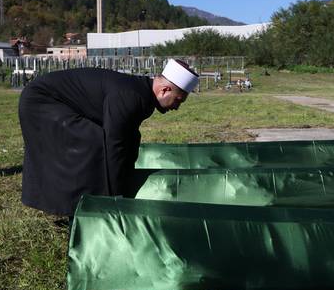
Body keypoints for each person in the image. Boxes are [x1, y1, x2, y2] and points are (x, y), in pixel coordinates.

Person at [18, 59, 199, 216]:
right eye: (177, 100)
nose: (176, 107)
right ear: (165, 90)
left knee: (103, 145)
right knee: (94, 144)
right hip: (42, 101)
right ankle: (83, 210)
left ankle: (88, 206)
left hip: (55, 101)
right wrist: (116, 199)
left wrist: (127, 180)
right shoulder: (132, 95)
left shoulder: (142, 95)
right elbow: (114, 145)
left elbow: (130, 138)